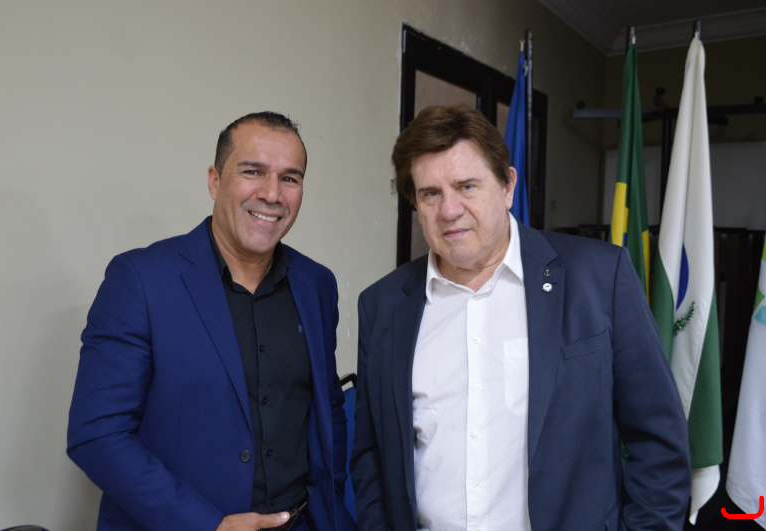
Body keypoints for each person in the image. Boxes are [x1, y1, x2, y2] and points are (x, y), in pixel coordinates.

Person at [350, 103, 691, 531]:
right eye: (430, 193)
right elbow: (372, 456)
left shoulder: (600, 277)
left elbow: (658, 440)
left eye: (467, 186)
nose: (449, 210)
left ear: (508, 186)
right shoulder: (383, 306)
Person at [68, 112, 357, 531]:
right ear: (214, 181)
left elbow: (328, 409)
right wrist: (208, 525)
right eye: (253, 172)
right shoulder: (140, 280)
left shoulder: (317, 284)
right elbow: (97, 435)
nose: (272, 194)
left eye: (290, 178)